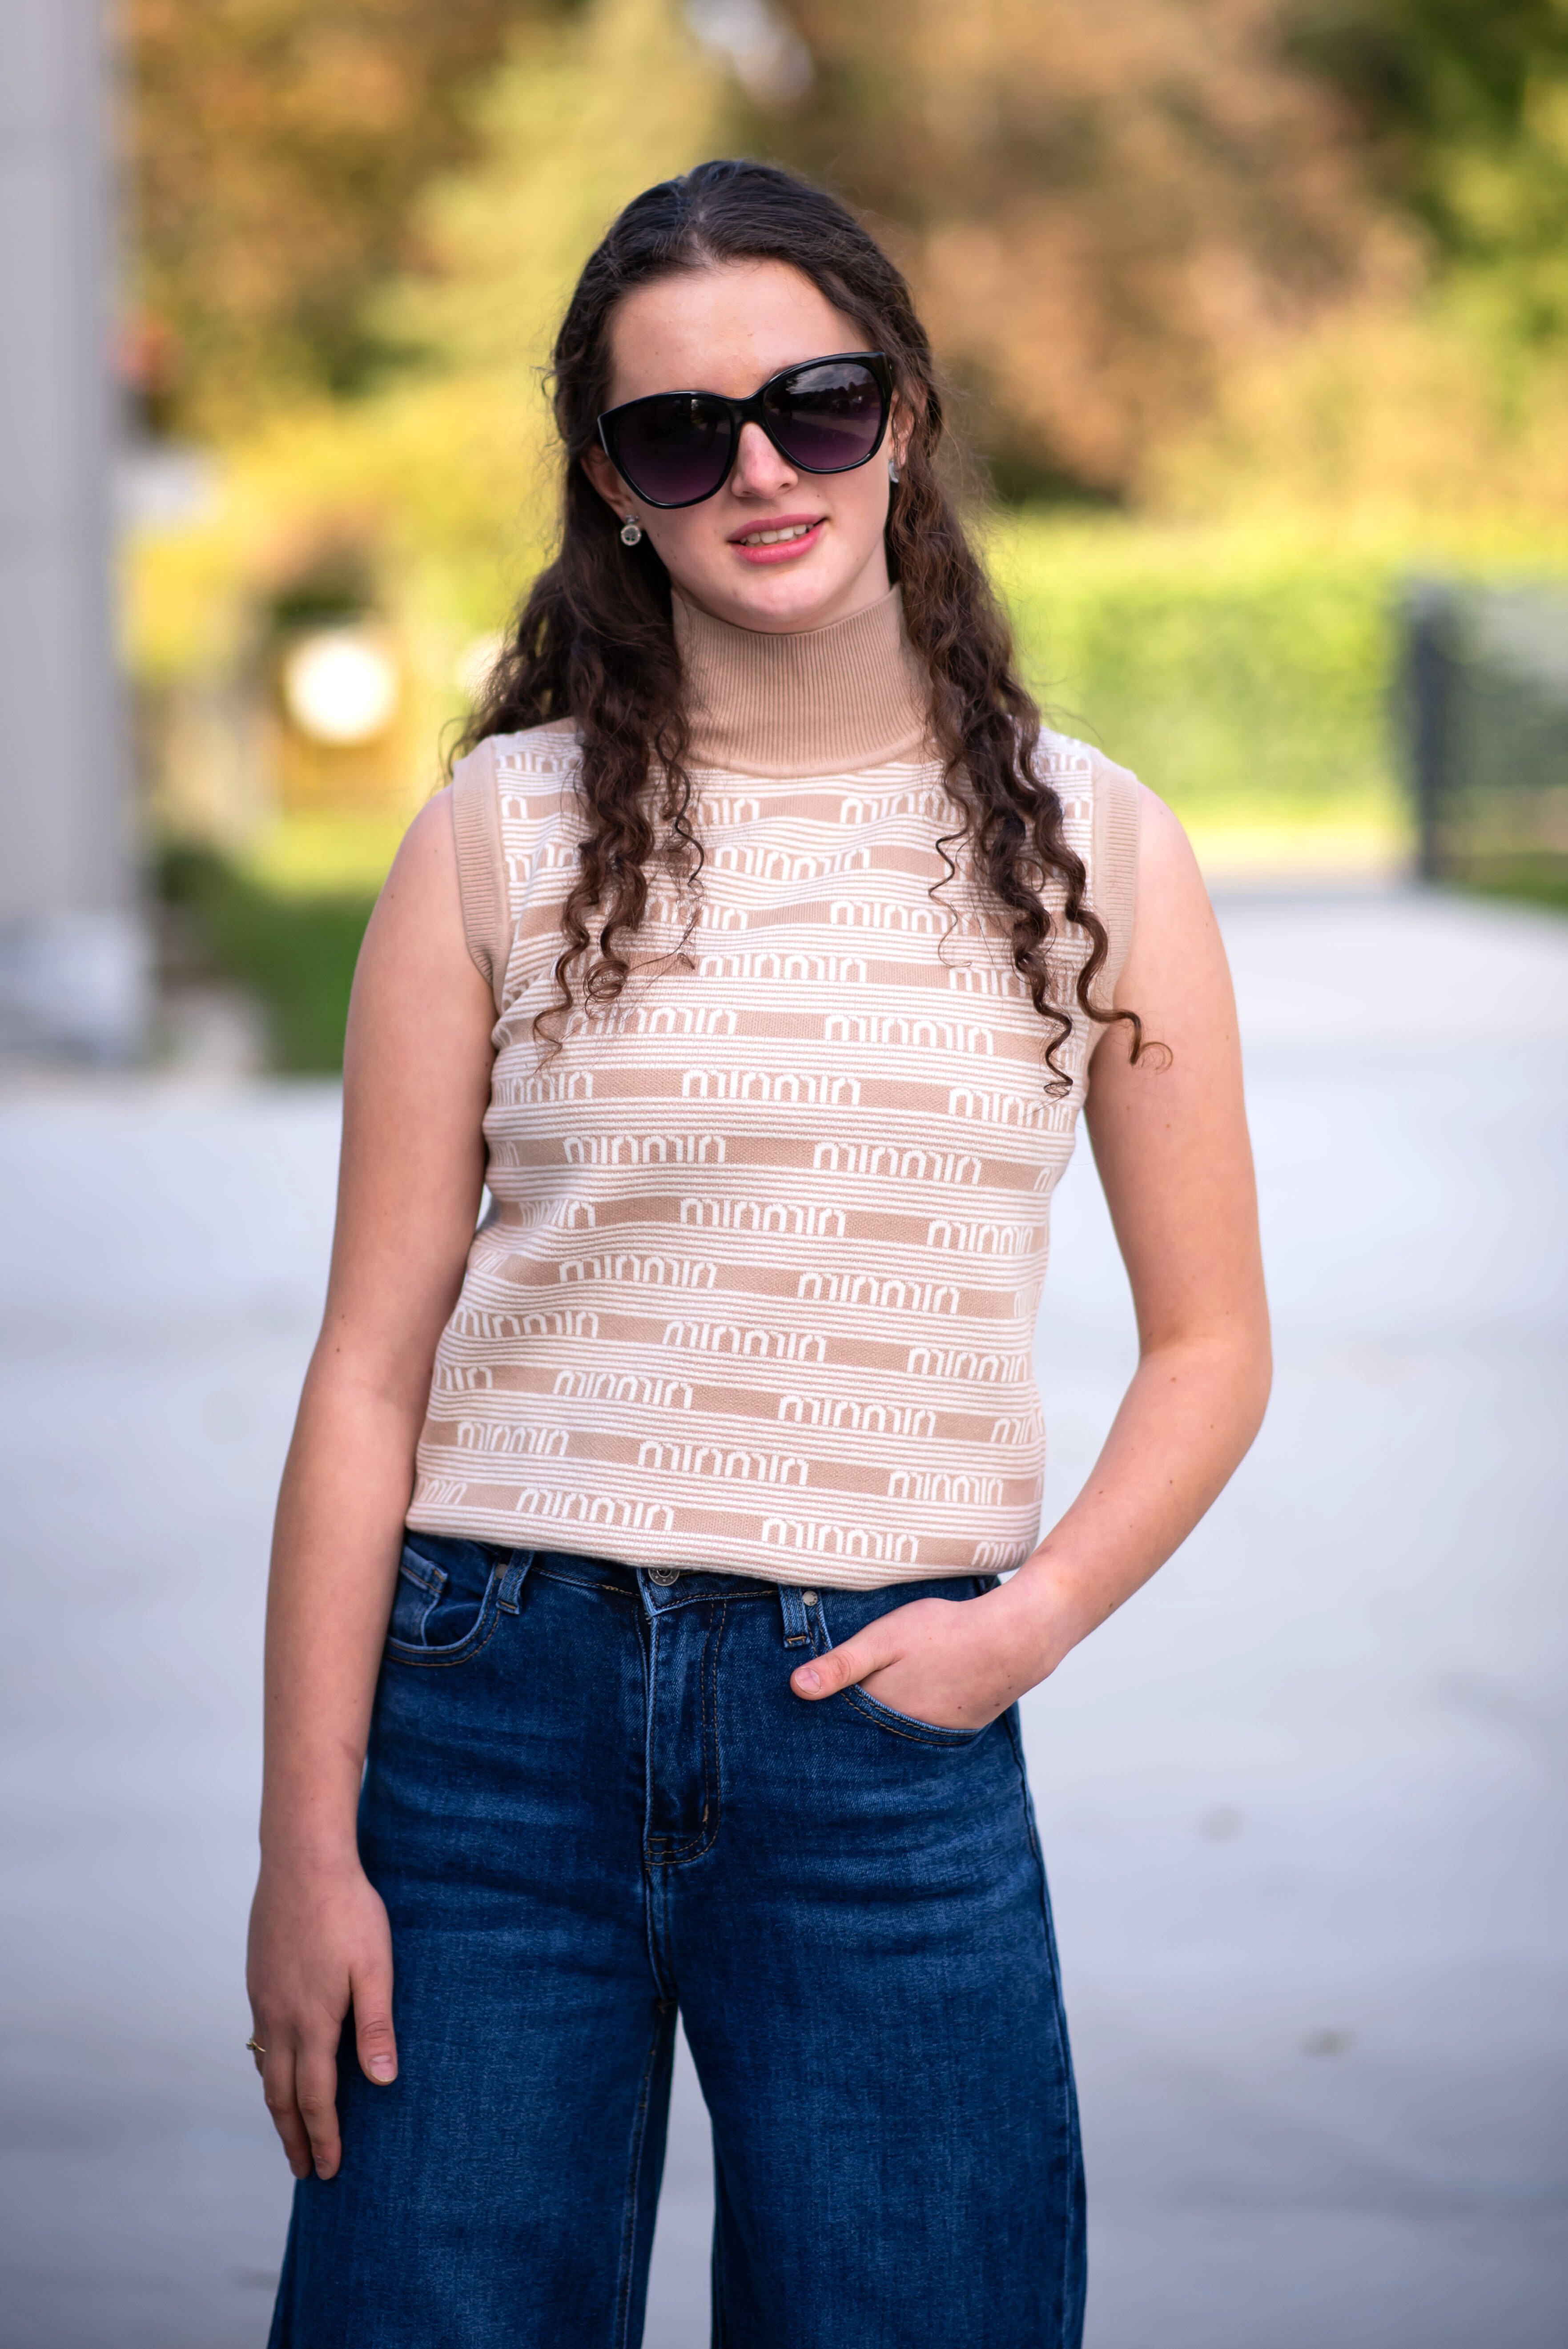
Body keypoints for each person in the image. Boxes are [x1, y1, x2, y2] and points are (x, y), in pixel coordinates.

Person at [247, 158, 1270, 2349]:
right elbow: (365, 1370)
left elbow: (1212, 1343)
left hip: (884, 1734)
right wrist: (305, 1846)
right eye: (677, 434)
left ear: (904, 413)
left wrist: (1026, 1623)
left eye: (815, 403)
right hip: (491, 1733)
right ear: (611, 490)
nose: (760, 473)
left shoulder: (1102, 847)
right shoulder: (494, 837)